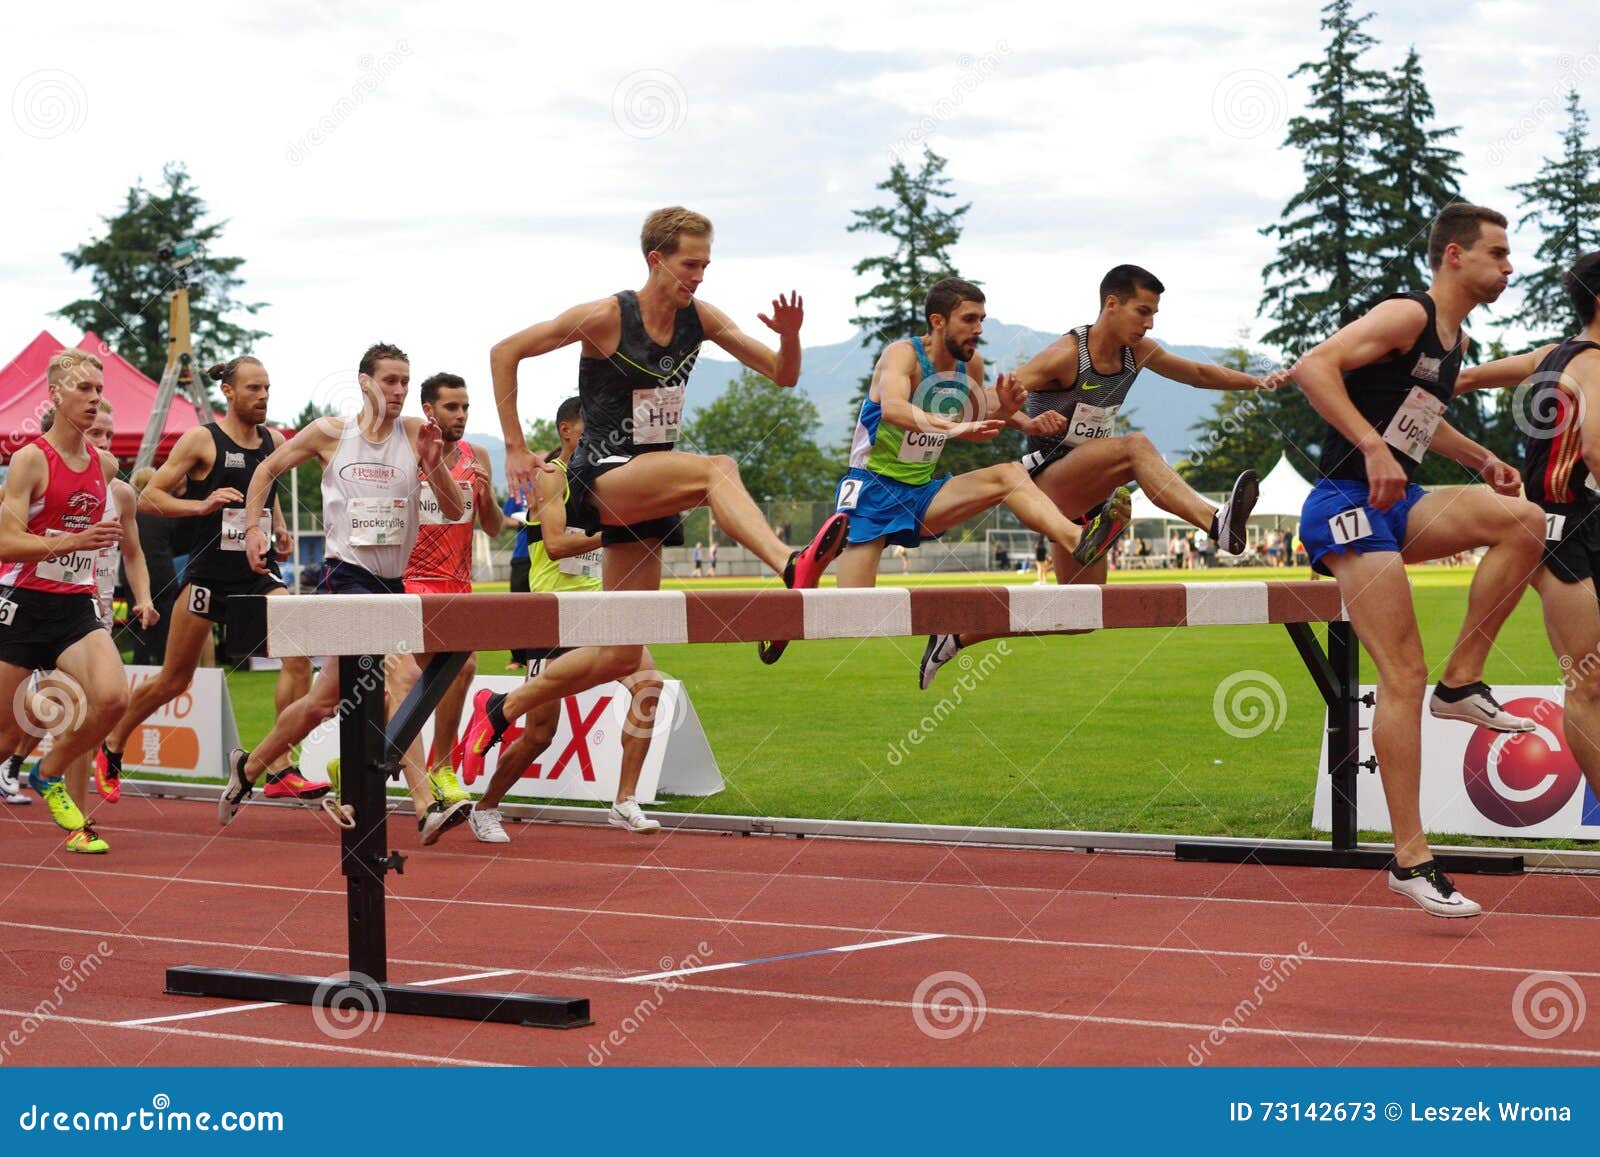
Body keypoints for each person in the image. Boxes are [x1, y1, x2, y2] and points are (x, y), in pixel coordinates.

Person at [460, 206, 848, 778]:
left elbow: (783, 375)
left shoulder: (701, 318)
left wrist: (790, 339)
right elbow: (504, 351)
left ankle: (501, 708)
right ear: (656, 259)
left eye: (706, 265)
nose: (698, 276)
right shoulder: (605, 316)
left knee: (619, 651)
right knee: (717, 469)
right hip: (606, 474)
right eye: (690, 264)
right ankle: (791, 565)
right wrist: (515, 446)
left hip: (652, 485)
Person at [1293, 203, 1545, 918]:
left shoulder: (1454, 337)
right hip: (1346, 500)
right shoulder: (1407, 312)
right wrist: (1371, 447)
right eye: (1498, 253)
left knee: (1524, 521)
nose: (1509, 265)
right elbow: (1314, 367)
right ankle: (1410, 856)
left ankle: (1462, 681)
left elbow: (1417, 420)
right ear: (1455, 256)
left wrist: (1481, 457)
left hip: (1399, 499)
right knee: (1400, 672)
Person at [225, 343, 472, 843]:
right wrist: (256, 527)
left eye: (405, 381)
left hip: (392, 583)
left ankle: (249, 767)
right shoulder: (330, 433)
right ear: (364, 383)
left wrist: (434, 462)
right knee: (401, 675)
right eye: (390, 381)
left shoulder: (416, 435)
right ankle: (425, 805)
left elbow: (450, 509)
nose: (400, 391)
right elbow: (265, 470)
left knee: (322, 701)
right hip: (344, 577)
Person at [96, 357, 321, 805]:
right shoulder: (203, 441)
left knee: (298, 661)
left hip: (256, 572)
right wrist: (200, 507)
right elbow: (149, 497)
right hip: (208, 577)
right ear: (229, 393)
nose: (263, 396)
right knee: (174, 680)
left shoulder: (274, 439)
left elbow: (267, 488)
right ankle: (114, 742)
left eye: (267, 388)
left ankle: (279, 764)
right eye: (254, 388)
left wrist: (277, 526)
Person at [831, 278, 1127, 606]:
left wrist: (1025, 420)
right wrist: (957, 429)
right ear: (938, 321)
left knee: (1010, 474)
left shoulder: (970, 364)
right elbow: (895, 409)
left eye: (982, 320)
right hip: (874, 490)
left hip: (921, 493)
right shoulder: (903, 355)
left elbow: (975, 411)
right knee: (852, 612)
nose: (979, 329)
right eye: (969, 319)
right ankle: (793, 590)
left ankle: (1079, 539)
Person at [466, 397, 664, 841]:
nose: (596, 435)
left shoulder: (607, 481)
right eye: (588, 427)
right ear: (566, 431)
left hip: (603, 611)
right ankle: (487, 807)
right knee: (539, 735)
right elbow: (554, 544)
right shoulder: (552, 477)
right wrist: (611, 536)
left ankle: (625, 800)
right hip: (554, 616)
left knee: (649, 685)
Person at [1455, 248, 1600, 808]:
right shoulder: (1590, 362)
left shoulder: (1554, 354)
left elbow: (1464, 380)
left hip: (1570, 521)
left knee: (1590, 680)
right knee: (1586, 682)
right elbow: (1596, 450)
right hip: (1559, 528)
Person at [0, 351, 129, 847]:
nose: (95, 398)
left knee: (114, 697)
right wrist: (74, 541)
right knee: (7, 735)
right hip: (22, 604)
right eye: (84, 389)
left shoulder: (106, 464)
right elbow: (7, 543)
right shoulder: (31, 459)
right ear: (55, 395)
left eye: (99, 389)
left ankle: (48, 774)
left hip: (74, 608)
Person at [384, 372, 504, 808]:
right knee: (416, 676)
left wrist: (487, 500)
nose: (461, 415)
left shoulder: (478, 456)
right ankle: (412, 760)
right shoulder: (406, 455)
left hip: (458, 584)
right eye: (452, 407)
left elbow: (493, 527)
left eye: (466, 406)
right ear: (429, 410)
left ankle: (423, 763)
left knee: (460, 669)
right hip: (410, 580)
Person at [501, 489, 535, 670]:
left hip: (548, 557)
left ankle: (540, 656)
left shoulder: (556, 478)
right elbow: (505, 519)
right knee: (517, 607)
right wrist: (525, 521)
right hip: (523, 555)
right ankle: (517, 657)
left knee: (544, 608)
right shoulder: (519, 489)